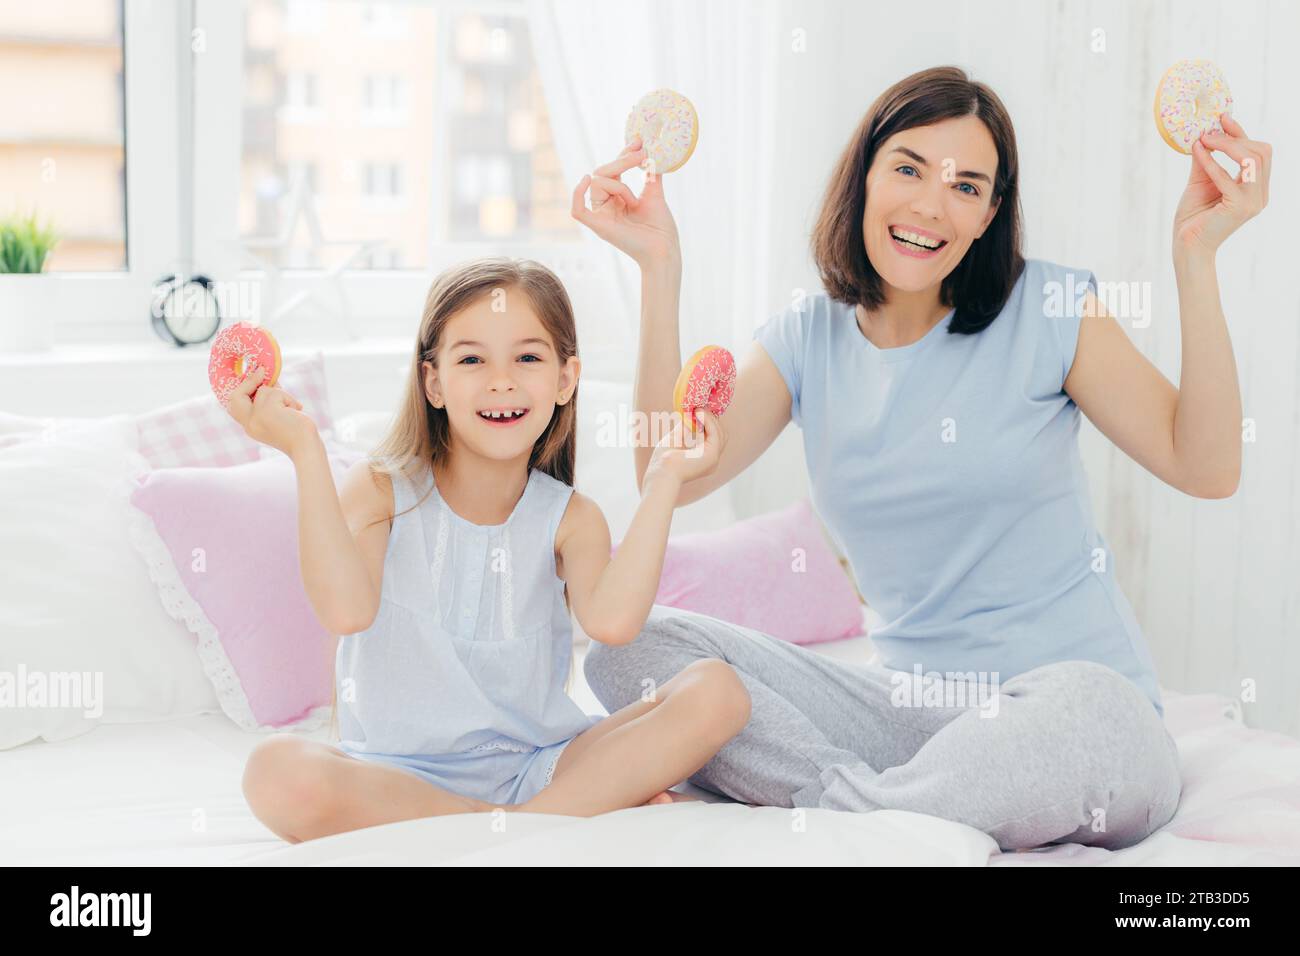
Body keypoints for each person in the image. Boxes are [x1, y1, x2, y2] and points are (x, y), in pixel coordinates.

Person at [570, 65, 1270, 850]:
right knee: (634, 648)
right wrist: (658, 269)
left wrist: (1197, 259)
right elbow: (666, 469)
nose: (930, 205)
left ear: (989, 214)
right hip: (906, 720)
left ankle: (847, 815)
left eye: (967, 186)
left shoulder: (1050, 308)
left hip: (1071, 717)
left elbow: (1207, 467)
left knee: (1089, 708)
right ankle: (882, 813)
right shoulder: (809, 338)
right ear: (863, 173)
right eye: (907, 168)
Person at [231, 257, 748, 843]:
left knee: (718, 690)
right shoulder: (381, 490)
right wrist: (304, 452)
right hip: (393, 776)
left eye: (527, 357)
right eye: (472, 359)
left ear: (565, 378)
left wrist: (665, 480)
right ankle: (530, 825)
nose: (501, 380)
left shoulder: (571, 518)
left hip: (537, 767)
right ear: (433, 382)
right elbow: (345, 612)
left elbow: (613, 622)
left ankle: (518, 821)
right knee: (273, 773)